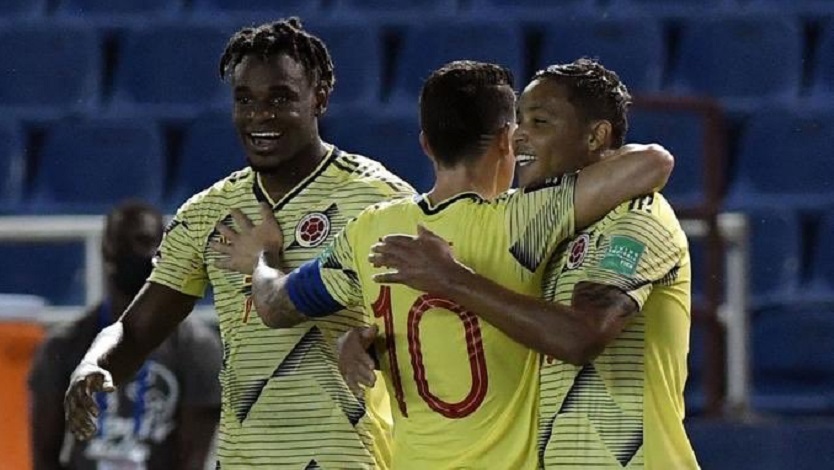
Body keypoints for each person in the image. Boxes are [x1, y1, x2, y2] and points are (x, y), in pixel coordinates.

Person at [246, 60, 674, 469]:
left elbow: (274, 304)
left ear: (425, 144)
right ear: (507, 140)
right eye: (520, 126)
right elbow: (651, 163)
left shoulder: (371, 231)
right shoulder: (522, 222)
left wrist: (264, 257)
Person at [63, 18, 413, 469]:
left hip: (348, 459)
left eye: (280, 98)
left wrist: (372, 344)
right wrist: (94, 363)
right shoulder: (207, 212)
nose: (259, 116)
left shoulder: (378, 200)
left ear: (319, 98)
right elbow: (135, 330)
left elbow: (427, 331)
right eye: (245, 100)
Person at [357, 59, 700, 469]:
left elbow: (581, 336)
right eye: (518, 121)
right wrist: (372, 341)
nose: (518, 136)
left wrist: (452, 279)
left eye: (539, 121)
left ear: (596, 135)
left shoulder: (638, 217)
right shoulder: (538, 231)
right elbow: (504, 328)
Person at [30, 201, 222, 470]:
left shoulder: (196, 348)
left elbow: (192, 459)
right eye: (128, 242)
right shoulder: (63, 345)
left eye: (150, 242)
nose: (141, 252)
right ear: (107, 250)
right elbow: (43, 457)